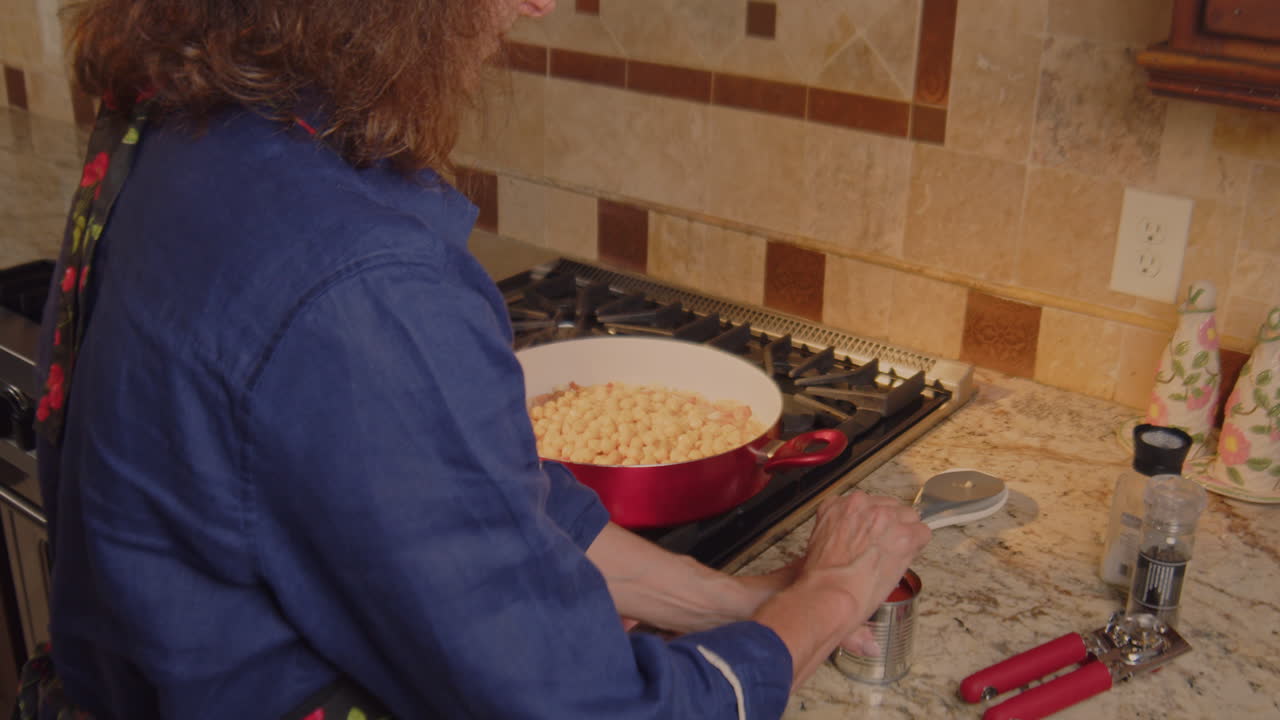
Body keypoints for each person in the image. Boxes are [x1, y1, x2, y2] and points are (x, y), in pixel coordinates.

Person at [25, 0, 931, 718]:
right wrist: (832, 602)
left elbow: (465, 509)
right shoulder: (359, 283)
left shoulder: (188, 133)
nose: (540, 2)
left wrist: (730, 601)